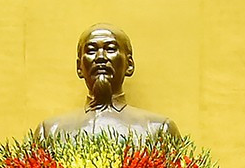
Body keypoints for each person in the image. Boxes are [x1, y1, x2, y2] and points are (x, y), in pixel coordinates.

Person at [35, 25, 179, 139]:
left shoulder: (158, 130)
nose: (101, 57)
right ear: (79, 67)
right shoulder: (51, 131)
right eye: (91, 51)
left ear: (129, 65)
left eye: (110, 49)